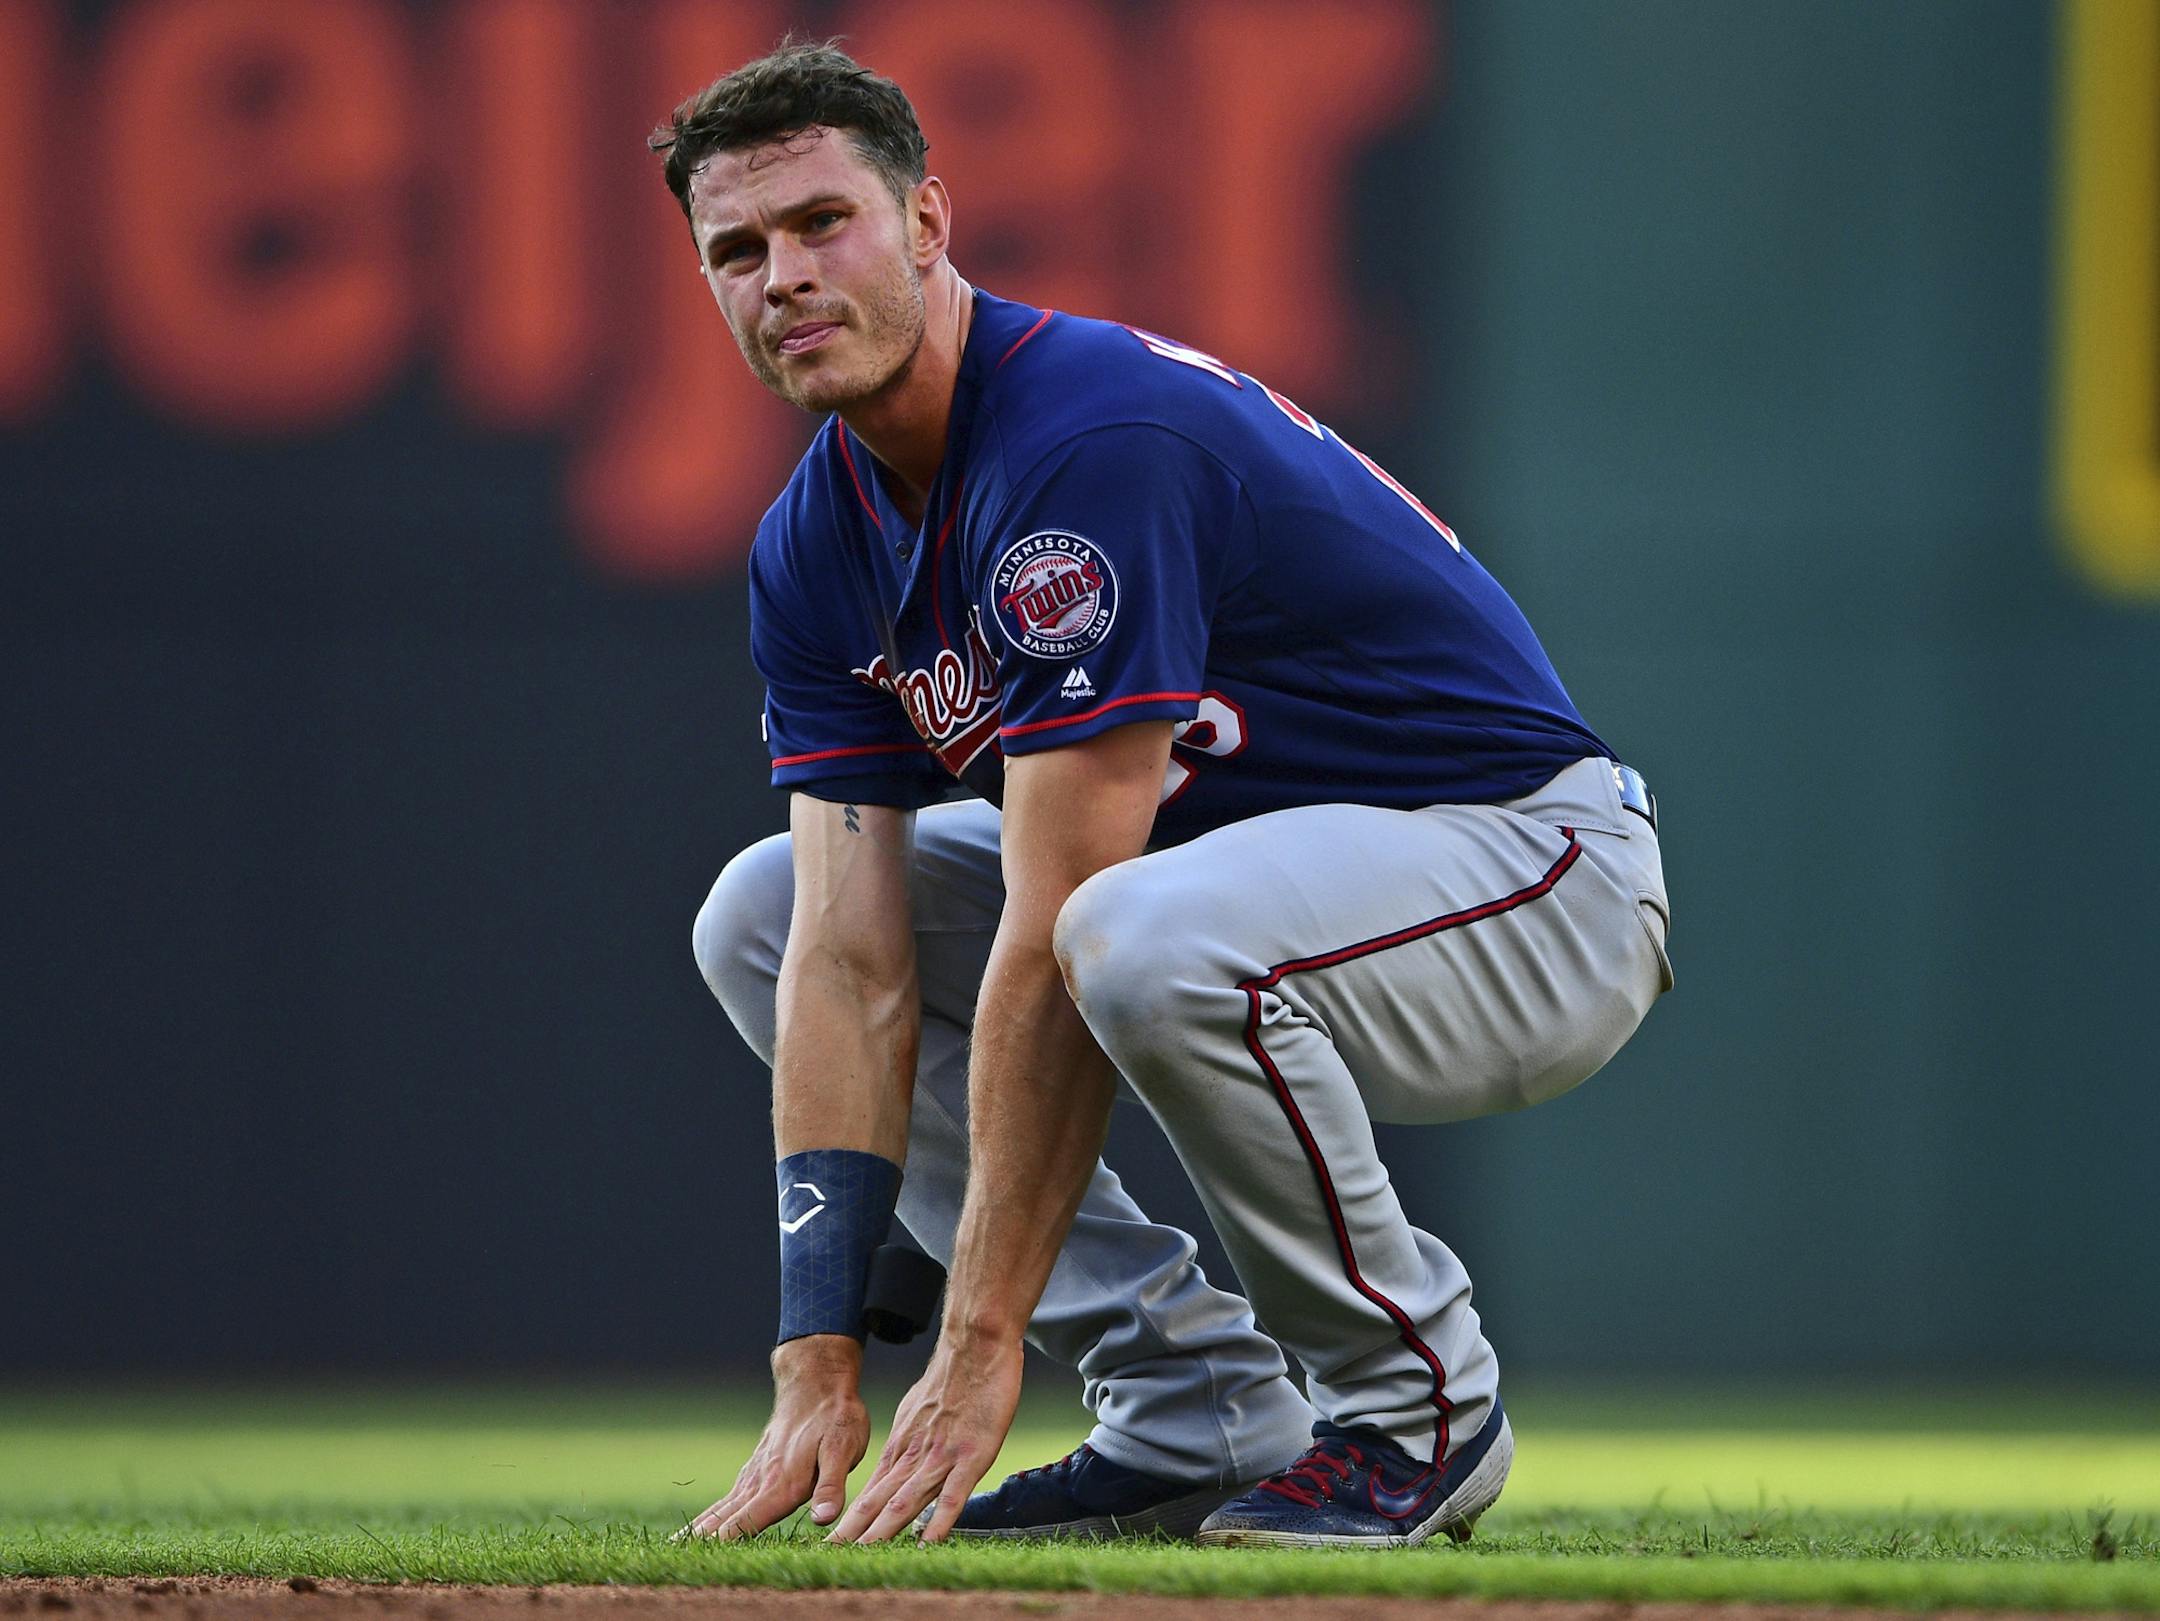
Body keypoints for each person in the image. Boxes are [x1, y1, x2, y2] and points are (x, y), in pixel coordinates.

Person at [669, 40, 1672, 1548]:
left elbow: (1063, 919)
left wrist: (975, 1340)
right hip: (1254, 886)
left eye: (826, 222)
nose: (784, 276)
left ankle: (1419, 1406)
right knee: (760, 910)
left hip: (1529, 877)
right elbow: (844, 956)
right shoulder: (814, 545)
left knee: (1124, 930)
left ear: (930, 224)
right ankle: (1193, 1400)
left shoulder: (1084, 441)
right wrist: (817, 1351)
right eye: (737, 250)